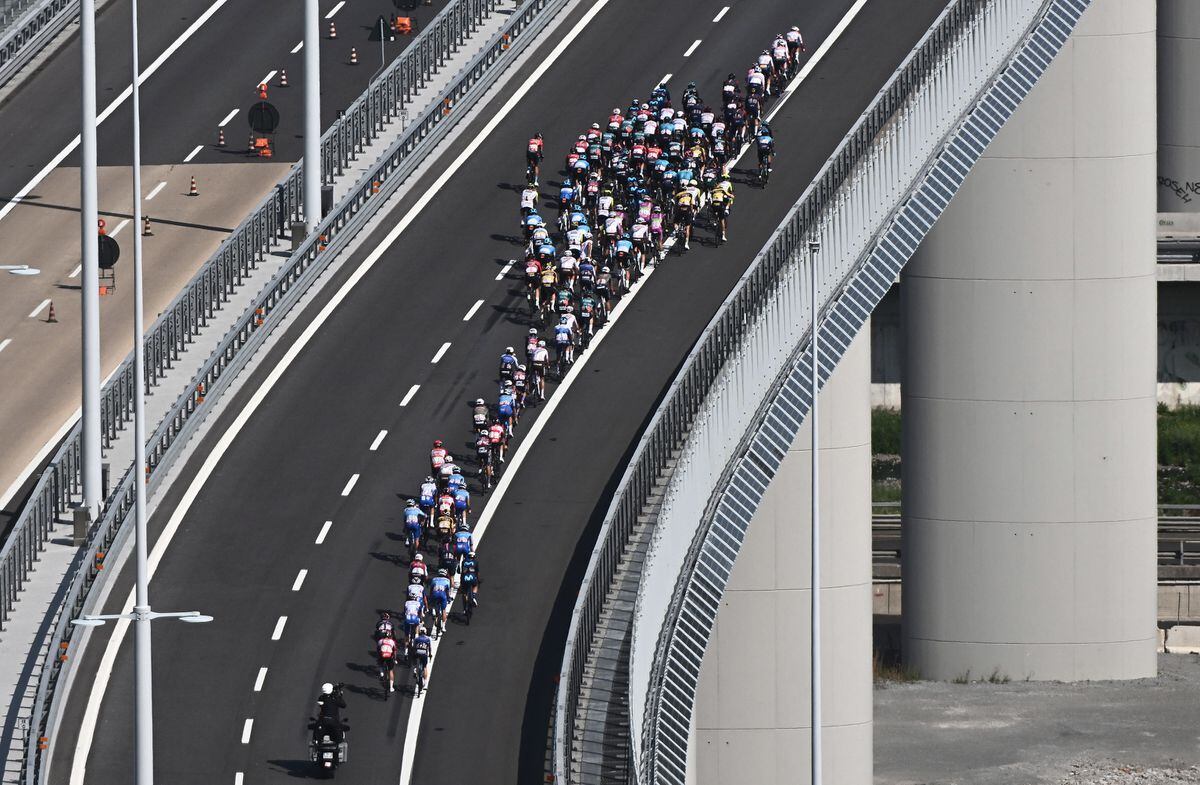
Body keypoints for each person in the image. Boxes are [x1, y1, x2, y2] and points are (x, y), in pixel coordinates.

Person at [429, 568, 452, 633]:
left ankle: (435, 614)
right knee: (443, 610)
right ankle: (443, 626)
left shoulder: (434, 579)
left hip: (435, 594)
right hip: (443, 595)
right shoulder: (447, 580)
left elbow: (431, 590)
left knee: (435, 606)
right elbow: (447, 591)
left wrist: (431, 598)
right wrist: (448, 598)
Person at [411, 625, 432, 694]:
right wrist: (430, 654)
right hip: (424, 654)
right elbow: (429, 648)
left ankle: (415, 669)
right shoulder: (428, 639)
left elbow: (414, 647)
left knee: (415, 661)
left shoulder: (417, 639)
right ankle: (425, 683)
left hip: (417, 653)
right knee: (425, 667)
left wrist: (413, 654)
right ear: (425, 632)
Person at [376, 627, 399, 692]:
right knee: (391, 671)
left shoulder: (380, 641)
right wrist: (395, 659)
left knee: (380, 663)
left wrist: (378, 657)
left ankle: (381, 673)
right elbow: (394, 651)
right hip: (389, 656)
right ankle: (391, 687)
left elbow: (378, 650)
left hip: (382, 656)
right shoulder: (392, 641)